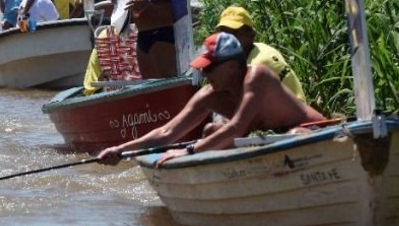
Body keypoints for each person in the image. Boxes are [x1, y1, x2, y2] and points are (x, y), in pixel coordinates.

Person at [95, 32, 326, 167]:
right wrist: (120, 149)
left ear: (233, 66)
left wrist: (189, 152)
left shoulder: (257, 76)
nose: (205, 75)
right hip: (272, 143)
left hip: (311, 132)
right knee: (210, 131)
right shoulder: (209, 95)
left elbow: (237, 128)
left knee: (293, 136)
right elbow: (167, 133)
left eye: (210, 68)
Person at [213, 5, 308, 100]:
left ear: (251, 35)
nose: (228, 39)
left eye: (235, 33)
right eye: (224, 33)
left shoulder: (257, 65)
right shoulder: (258, 48)